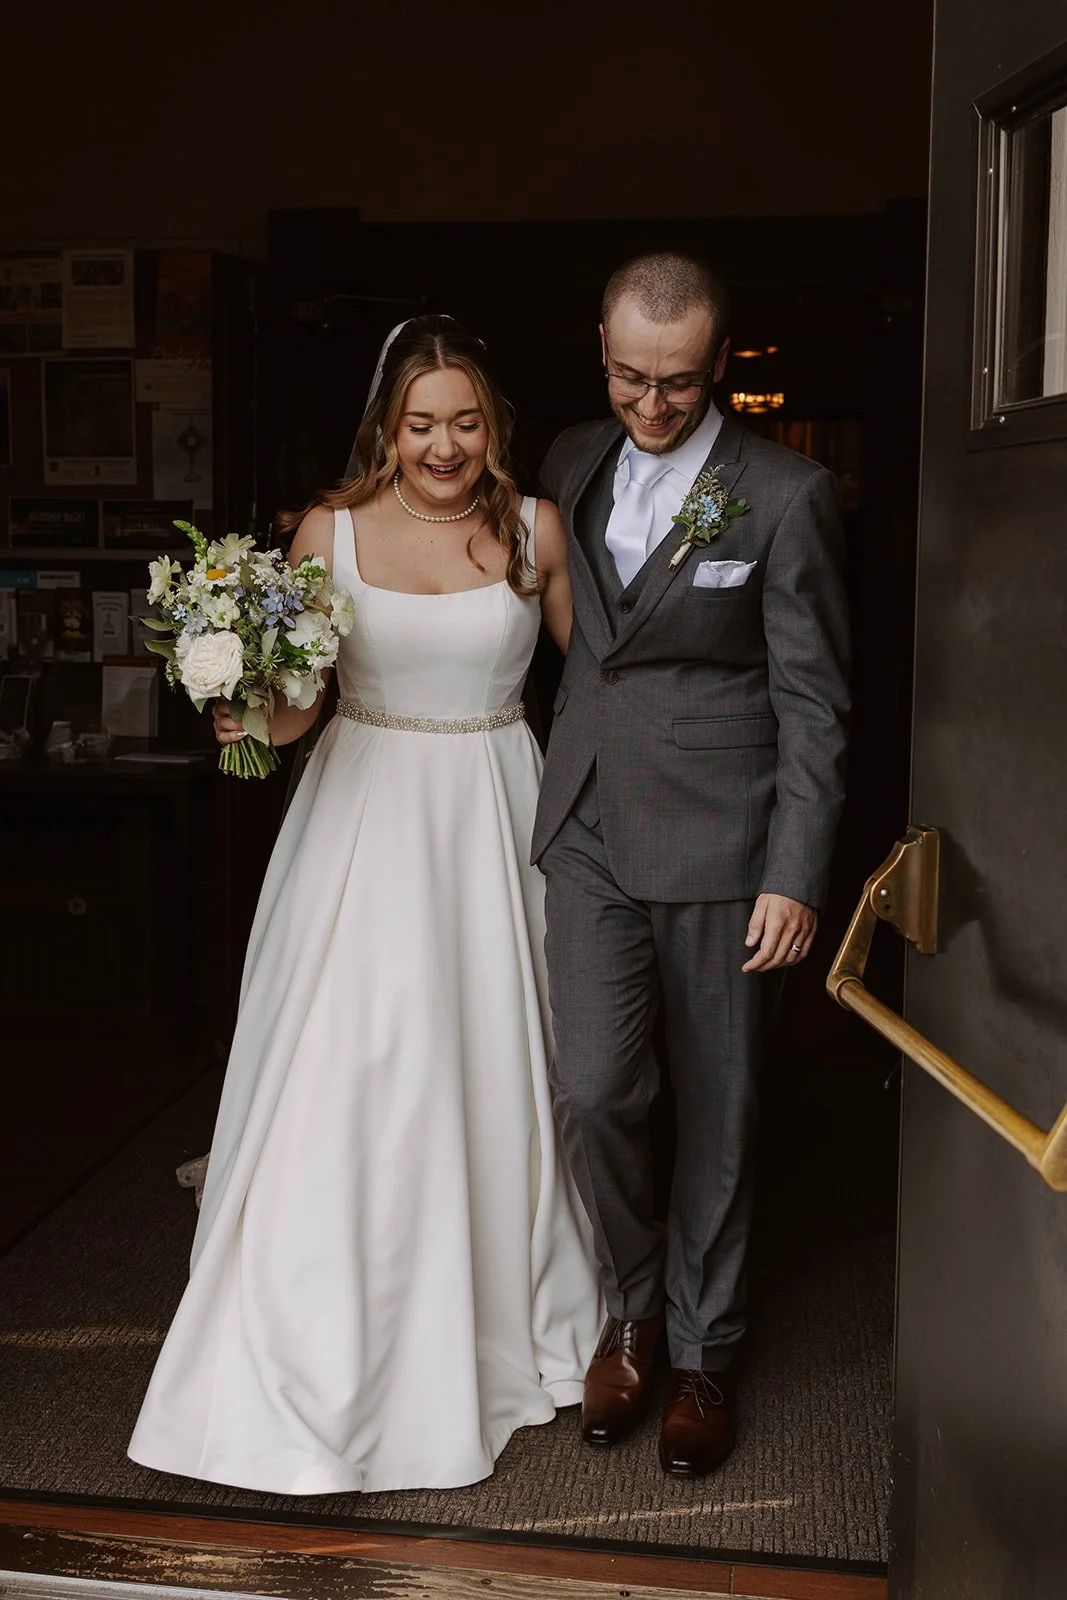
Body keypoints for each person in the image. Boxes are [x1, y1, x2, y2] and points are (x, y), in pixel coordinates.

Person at [128, 315, 602, 1495]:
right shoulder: (324, 533)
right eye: (419, 421)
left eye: (465, 421)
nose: (443, 444)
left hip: (495, 816)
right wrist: (241, 701)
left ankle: (491, 1311)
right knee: (356, 1067)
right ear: (385, 426)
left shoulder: (533, 529)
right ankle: (322, 1329)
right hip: (361, 821)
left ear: (493, 424)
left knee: (490, 1063)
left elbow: (600, 692)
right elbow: (298, 705)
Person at [534, 252, 850, 1478]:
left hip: (729, 843)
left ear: (718, 363)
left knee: (720, 1107)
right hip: (588, 829)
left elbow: (814, 699)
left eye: (674, 382)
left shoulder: (785, 493)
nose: (650, 405)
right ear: (599, 352)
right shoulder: (567, 460)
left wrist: (797, 867)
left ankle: (706, 1349)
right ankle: (633, 1307)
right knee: (594, 1089)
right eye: (626, 377)